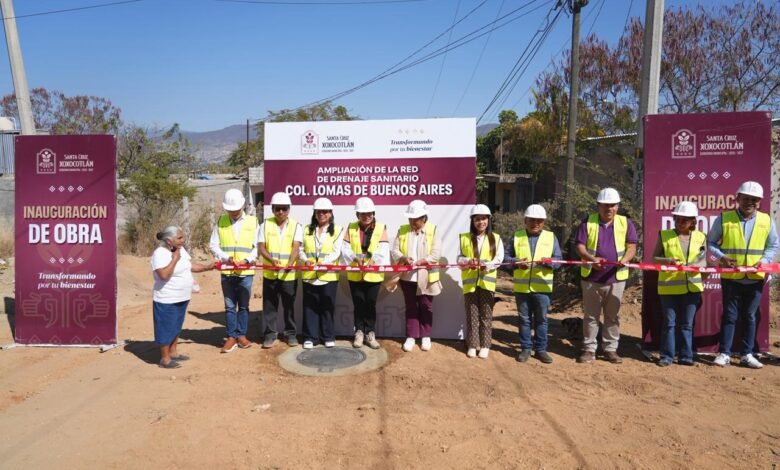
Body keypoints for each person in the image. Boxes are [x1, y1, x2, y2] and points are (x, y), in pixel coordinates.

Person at [707, 181, 778, 369]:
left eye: (754, 199)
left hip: (755, 278)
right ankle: (724, 353)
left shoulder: (766, 221)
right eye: (746, 198)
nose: (749, 203)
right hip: (731, 277)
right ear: (738, 198)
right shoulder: (724, 218)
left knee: (750, 316)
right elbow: (711, 242)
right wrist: (722, 257)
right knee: (730, 316)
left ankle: (747, 354)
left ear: (759, 202)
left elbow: (773, 245)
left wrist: (764, 260)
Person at [574, 187, 638, 364]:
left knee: (612, 316)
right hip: (591, 278)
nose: (609, 208)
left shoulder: (626, 223)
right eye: (605, 205)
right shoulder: (588, 222)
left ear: (618, 206)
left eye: (612, 205)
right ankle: (589, 349)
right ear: (598, 205)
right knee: (591, 316)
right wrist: (591, 259)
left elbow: (632, 246)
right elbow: (580, 246)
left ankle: (610, 349)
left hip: (615, 278)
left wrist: (625, 260)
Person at [503, 204, 562, 364]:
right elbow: (505, 258)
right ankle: (526, 348)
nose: (535, 223)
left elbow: (559, 260)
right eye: (532, 220)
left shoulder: (551, 237)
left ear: (544, 222)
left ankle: (541, 349)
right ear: (525, 220)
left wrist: (548, 262)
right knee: (524, 319)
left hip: (543, 287)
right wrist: (516, 262)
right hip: (522, 287)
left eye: (539, 221)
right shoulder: (517, 236)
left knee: (541, 320)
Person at [652, 201, 706, 367]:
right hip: (669, 287)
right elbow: (654, 259)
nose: (680, 222)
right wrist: (668, 260)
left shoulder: (701, 237)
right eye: (678, 219)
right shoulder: (665, 235)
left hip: (692, 287)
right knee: (669, 324)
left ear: (693, 221)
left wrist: (699, 268)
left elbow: (703, 260)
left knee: (687, 325)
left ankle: (686, 357)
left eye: (685, 220)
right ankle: (667, 357)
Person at [152, 225, 215, 368]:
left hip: (182, 297)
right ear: (169, 241)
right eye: (179, 238)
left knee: (176, 325)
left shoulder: (180, 250)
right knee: (165, 327)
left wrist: (207, 267)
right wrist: (174, 259)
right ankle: (165, 359)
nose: (182, 240)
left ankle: (173, 352)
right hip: (167, 298)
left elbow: (189, 265)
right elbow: (163, 275)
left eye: (182, 237)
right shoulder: (159, 254)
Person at [209, 189, 259, 353]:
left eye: (236, 209)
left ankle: (241, 335)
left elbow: (258, 246)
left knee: (243, 306)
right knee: (230, 306)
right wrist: (226, 258)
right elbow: (213, 245)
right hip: (228, 272)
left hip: (245, 272)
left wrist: (247, 260)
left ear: (242, 205)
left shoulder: (253, 222)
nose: (234, 212)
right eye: (231, 210)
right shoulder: (221, 221)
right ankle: (231, 337)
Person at [391, 200, 442, 352]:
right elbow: (395, 251)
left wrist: (422, 261)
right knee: (411, 306)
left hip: (426, 277)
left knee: (426, 306)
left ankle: (426, 335)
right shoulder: (402, 230)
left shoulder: (433, 230)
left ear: (424, 217)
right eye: (410, 218)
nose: (412, 222)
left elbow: (436, 254)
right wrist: (403, 258)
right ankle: (411, 336)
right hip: (407, 277)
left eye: (416, 219)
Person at [342, 197, 389, 349]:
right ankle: (359, 332)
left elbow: (383, 249)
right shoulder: (351, 227)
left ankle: (370, 333)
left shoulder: (381, 227)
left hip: (373, 274)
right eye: (363, 213)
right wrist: (355, 258)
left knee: (370, 304)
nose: (366, 216)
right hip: (356, 273)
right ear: (357, 215)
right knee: (358, 304)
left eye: (369, 213)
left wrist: (370, 259)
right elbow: (345, 248)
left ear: (373, 213)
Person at [458, 204, 504, 359]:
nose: (481, 222)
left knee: (486, 315)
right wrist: (467, 261)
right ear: (472, 221)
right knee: (472, 315)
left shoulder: (496, 238)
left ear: (489, 220)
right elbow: (459, 259)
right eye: (477, 219)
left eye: (484, 219)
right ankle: (472, 345)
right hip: (470, 283)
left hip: (487, 283)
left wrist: (487, 265)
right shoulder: (464, 238)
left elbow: (499, 259)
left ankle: (485, 345)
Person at [258, 192, 303, 348]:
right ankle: (270, 335)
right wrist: (272, 261)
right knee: (270, 306)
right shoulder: (265, 225)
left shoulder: (296, 226)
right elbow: (261, 247)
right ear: (272, 209)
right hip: (271, 273)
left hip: (288, 275)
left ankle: (290, 334)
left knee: (289, 307)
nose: (281, 212)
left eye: (284, 208)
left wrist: (290, 263)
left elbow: (296, 248)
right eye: (277, 209)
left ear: (289, 209)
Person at [299, 197, 344, 349]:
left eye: (325, 211)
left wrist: (323, 263)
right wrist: (305, 260)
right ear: (314, 213)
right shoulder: (307, 229)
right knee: (309, 307)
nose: (321, 214)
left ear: (330, 213)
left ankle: (328, 336)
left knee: (327, 307)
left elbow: (336, 251)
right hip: (310, 275)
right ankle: (310, 337)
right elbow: (301, 250)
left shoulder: (338, 230)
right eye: (318, 212)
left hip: (328, 275)